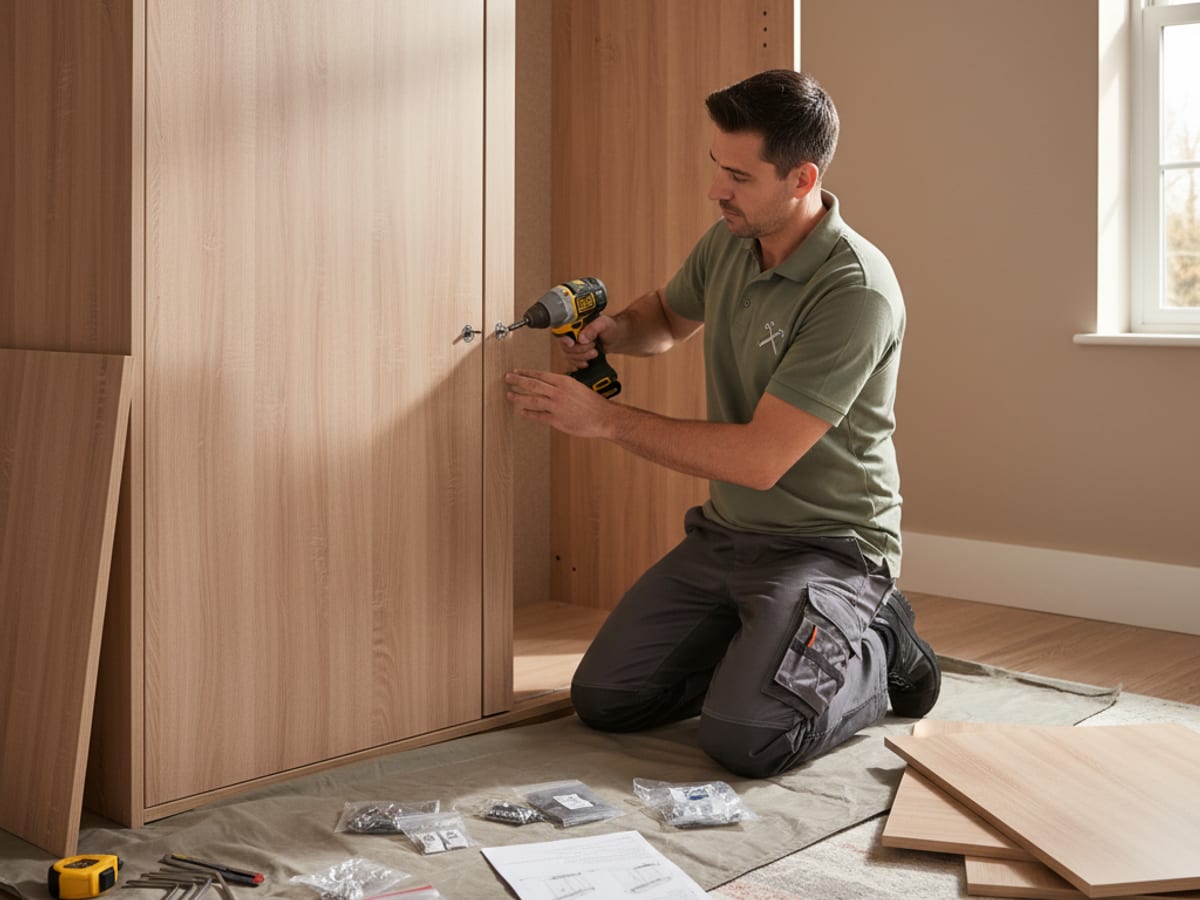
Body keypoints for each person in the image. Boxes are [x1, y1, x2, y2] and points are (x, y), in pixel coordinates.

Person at [504, 69, 939, 778]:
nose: (717, 190)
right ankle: (768, 652)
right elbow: (667, 319)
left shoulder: (853, 291)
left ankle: (881, 643)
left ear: (801, 178)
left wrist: (607, 422)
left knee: (749, 740)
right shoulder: (731, 241)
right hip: (729, 537)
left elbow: (760, 460)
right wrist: (613, 331)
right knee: (608, 697)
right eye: (717, 168)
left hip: (829, 547)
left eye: (738, 175)